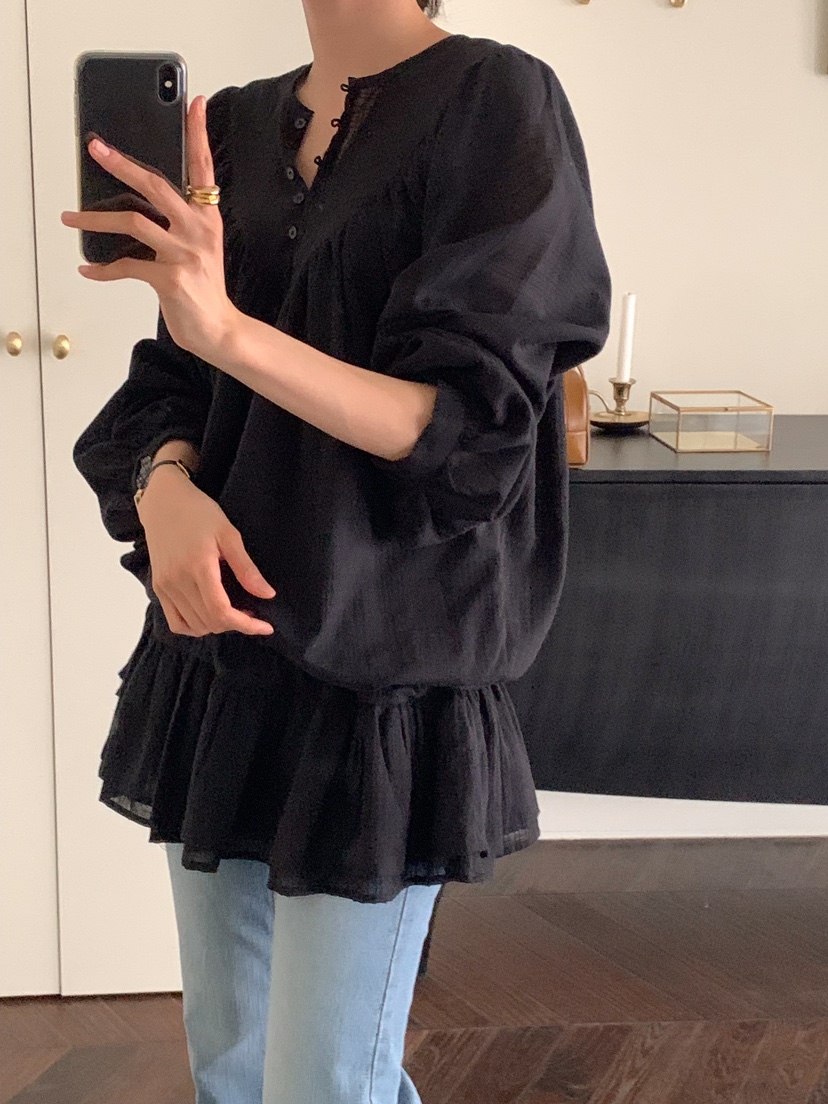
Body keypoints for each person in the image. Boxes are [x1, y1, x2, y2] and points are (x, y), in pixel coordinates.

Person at [65, 0, 612, 1100]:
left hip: (378, 674)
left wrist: (229, 330)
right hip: (221, 663)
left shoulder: (498, 102)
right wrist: (163, 488)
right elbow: (178, 376)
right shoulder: (236, 125)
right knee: (229, 1066)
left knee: (322, 1080)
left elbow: (467, 433)